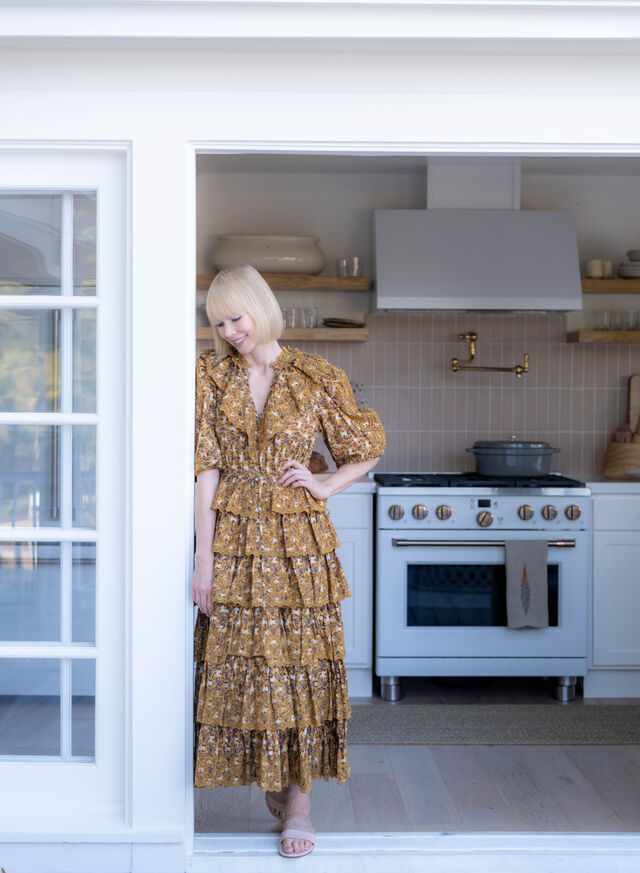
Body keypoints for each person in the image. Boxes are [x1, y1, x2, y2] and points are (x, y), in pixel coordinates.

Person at [192, 264, 385, 858]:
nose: (228, 331)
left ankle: (298, 802)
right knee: (245, 666)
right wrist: (203, 556)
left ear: (262, 308)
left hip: (299, 545)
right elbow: (205, 469)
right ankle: (274, 778)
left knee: (299, 666)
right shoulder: (207, 376)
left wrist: (325, 486)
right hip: (232, 539)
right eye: (218, 322)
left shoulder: (316, 375)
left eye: (236, 318)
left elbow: (365, 447)